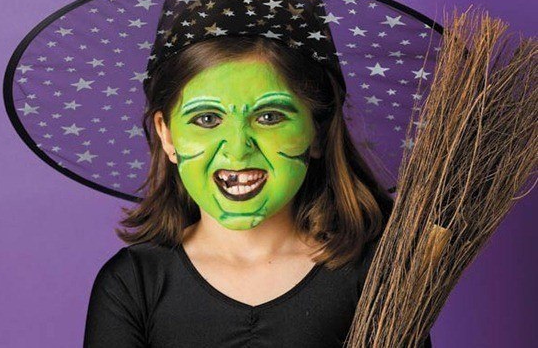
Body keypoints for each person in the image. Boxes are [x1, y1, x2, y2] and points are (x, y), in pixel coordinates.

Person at [82, 35, 432, 347]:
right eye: (207, 119)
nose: (237, 150)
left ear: (317, 132)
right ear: (168, 135)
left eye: (269, 117)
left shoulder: (374, 276)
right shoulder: (133, 284)